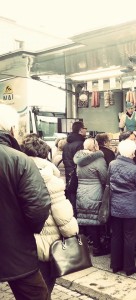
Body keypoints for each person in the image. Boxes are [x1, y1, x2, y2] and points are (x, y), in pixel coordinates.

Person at [0, 104, 51, 300]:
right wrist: (26, 230)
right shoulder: (19, 160)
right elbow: (38, 208)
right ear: (11, 129)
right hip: (16, 249)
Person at [21, 134, 79, 295]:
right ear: (45, 154)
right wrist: (72, 235)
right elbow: (62, 212)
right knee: (45, 287)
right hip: (48, 243)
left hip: (22, 243)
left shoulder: (17, 173)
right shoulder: (49, 178)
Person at [109, 139, 136, 276]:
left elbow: (109, 181)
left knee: (116, 236)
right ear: (131, 153)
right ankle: (129, 267)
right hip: (131, 207)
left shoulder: (112, 164)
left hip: (115, 205)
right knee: (129, 237)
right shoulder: (135, 169)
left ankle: (115, 265)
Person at [74, 138, 108, 256]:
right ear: (95, 147)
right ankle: (98, 247)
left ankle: (92, 243)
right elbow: (104, 178)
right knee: (96, 220)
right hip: (95, 191)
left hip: (82, 191)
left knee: (87, 219)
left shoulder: (79, 159)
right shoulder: (99, 160)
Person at [62, 121, 87, 216]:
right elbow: (82, 161)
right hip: (78, 176)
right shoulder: (81, 144)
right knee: (78, 199)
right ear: (80, 130)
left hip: (69, 174)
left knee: (71, 197)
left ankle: (73, 217)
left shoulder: (66, 145)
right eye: (84, 128)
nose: (85, 130)